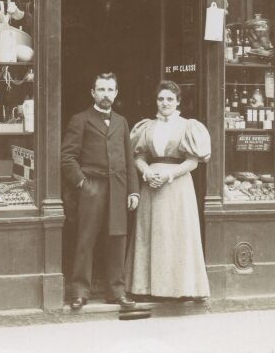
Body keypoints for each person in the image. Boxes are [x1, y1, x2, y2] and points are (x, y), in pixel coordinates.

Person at [60, 72, 140, 311]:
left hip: (118, 188)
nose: (106, 94)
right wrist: (83, 184)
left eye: (110, 90)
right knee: (86, 240)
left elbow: (129, 159)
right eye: (101, 89)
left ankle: (117, 292)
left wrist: (133, 191)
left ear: (116, 93)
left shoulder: (121, 122)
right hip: (92, 187)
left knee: (117, 239)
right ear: (93, 93)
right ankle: (80, 292)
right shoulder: (80, 119)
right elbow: (67, 157)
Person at [128, 80, 211, 300]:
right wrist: (146, 172)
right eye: (161, 99)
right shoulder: (146, 127)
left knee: (176, 234)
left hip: (177, 187)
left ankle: (180, 289)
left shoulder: (188, 126)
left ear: (178, 101)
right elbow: (139, 156)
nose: (165, 103)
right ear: (156, 101)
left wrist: (168, 175)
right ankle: (146, 288)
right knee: (151, 234)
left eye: (170, 99)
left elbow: (193, 162)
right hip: (151, 186)